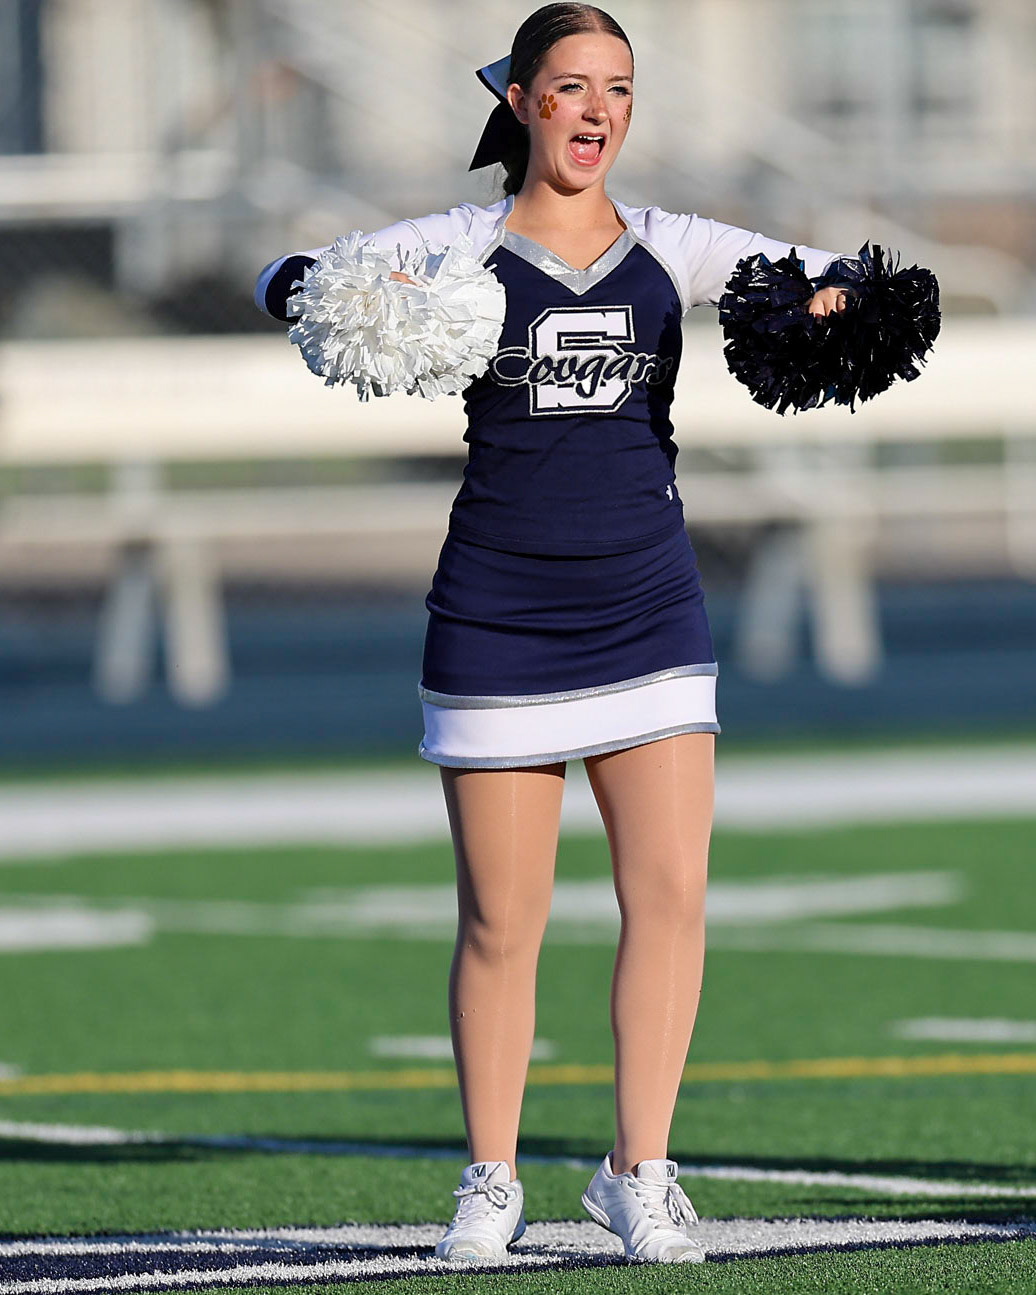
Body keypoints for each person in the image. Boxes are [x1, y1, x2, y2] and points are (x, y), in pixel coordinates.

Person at [255, 2, 853, 1267]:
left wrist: (837, 302)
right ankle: (489, 1178)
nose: (597, 110)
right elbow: (291, 277)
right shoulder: (461, 243)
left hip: (649, 608)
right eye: (572, 86)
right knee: (500, 919)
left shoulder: (671, 245)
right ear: (519, 100)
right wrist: (344, 296)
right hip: (498, 614)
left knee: (670, 894)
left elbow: (833, 276)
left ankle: (640, 1170)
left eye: (618, 88)